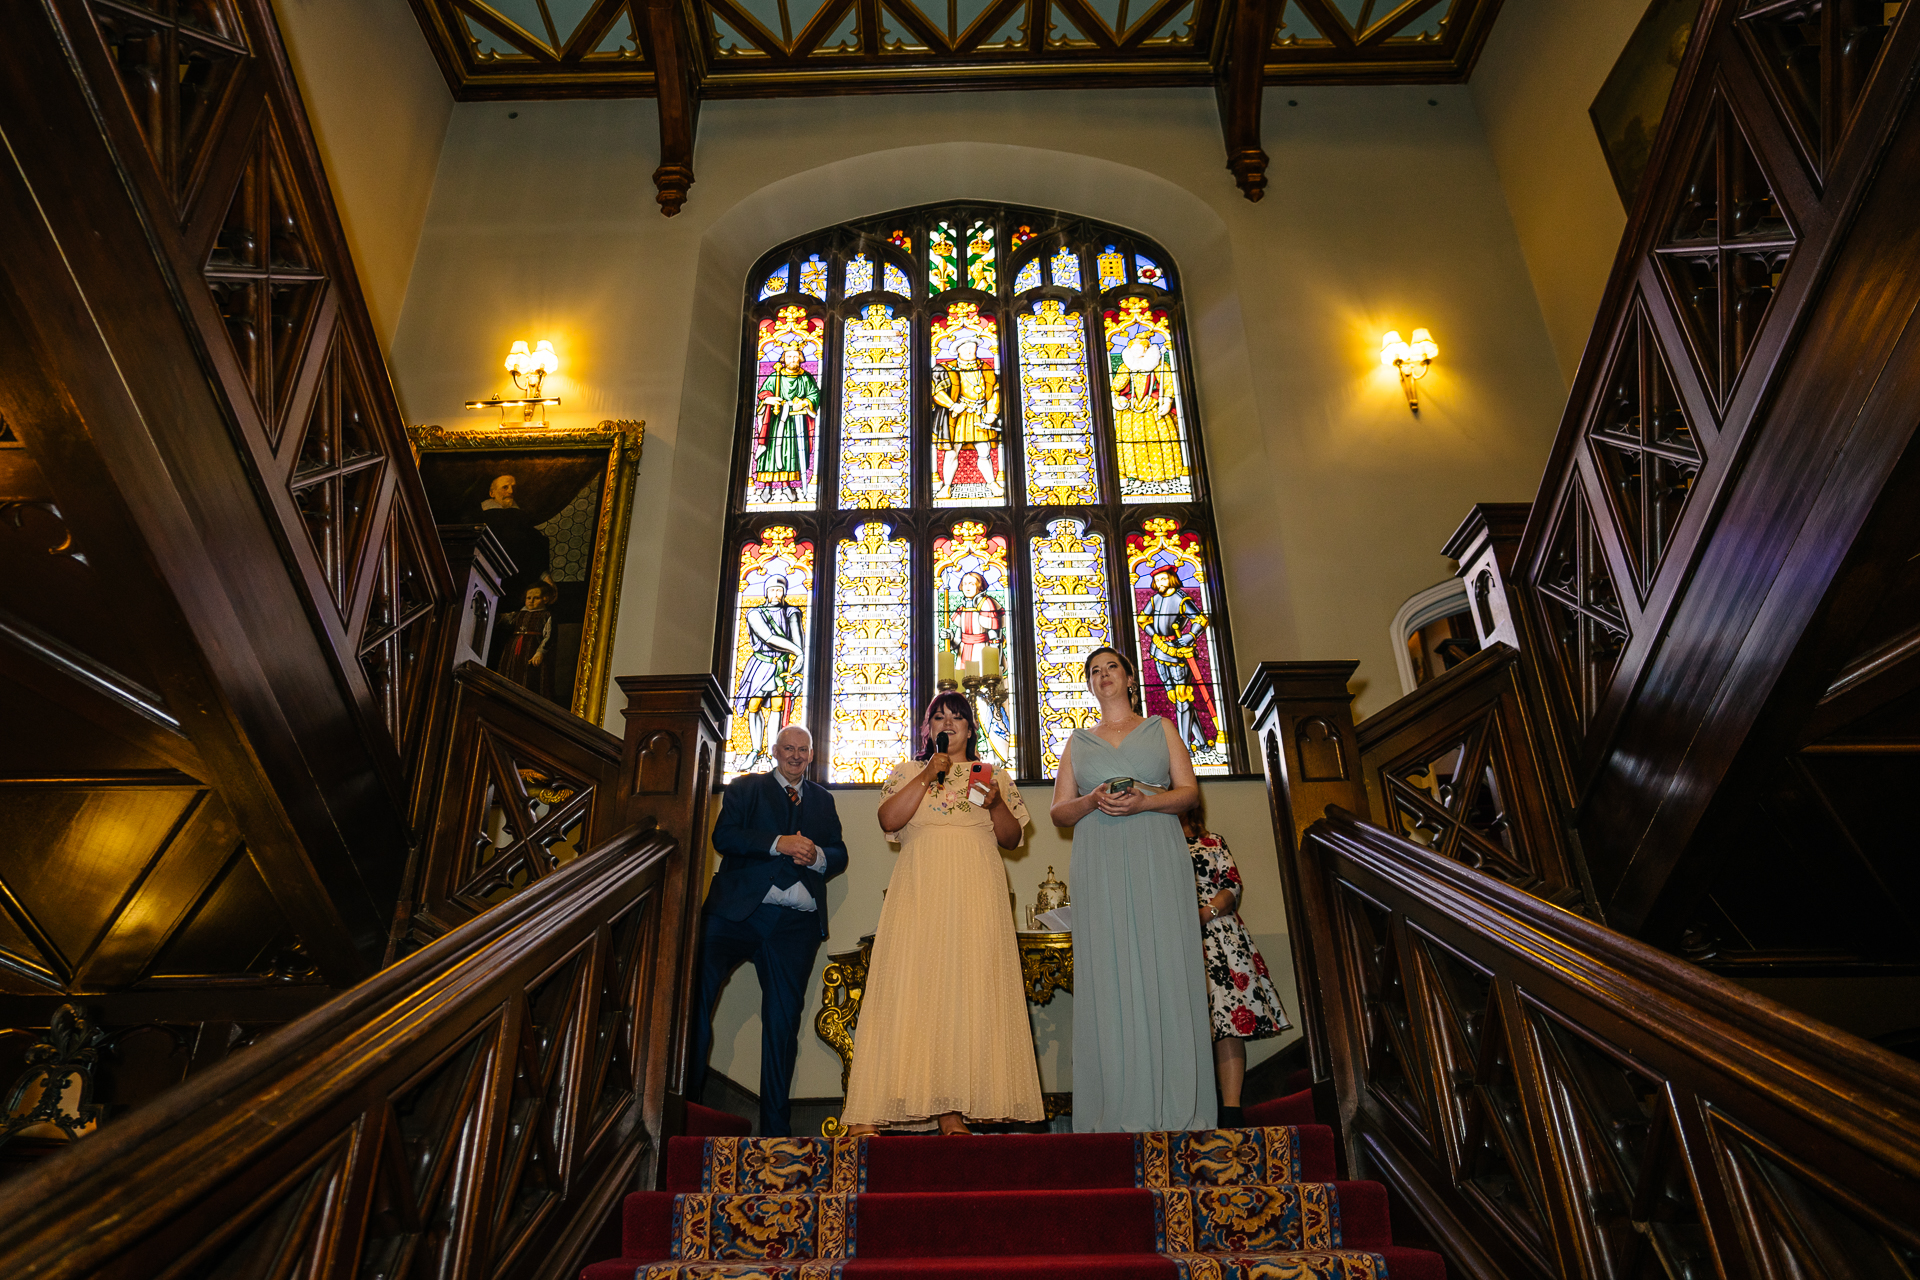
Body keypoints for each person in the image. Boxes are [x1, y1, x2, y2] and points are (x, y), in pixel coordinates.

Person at [841, 693, 1042, 1135]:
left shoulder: (993, 777)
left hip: (977, 890)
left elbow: (1011, 840)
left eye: (957, 717)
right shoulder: (908, 772)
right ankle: (868, 1112)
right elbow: (888, 821)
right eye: (938, 717)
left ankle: (952, 1113)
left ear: (970, 729)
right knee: (908, 985)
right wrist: (929, 775)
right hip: (920, 889)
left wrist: (993, 805)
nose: (947, 723)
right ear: (927, 729)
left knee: (964, 988)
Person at [1049, 646, 1215, 1133]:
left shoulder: (1160, 727)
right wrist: (1091, 800)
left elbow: (1189, 793)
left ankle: (1177, 1103)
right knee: (1110, 968)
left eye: (1111, 668)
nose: (1103, 676)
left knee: (1164, 961)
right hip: (1099, 856)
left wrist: (1145, 801)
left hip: (1154, 848)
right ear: (1090, 685)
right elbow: (1059, 812)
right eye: (1094, 672)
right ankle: (1115, 1106)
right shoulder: (1078, 742)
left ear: (1128, 678)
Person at [688, 725, 848, 1137]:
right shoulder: (745, 788)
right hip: (734, 914)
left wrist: (816, 856)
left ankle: (775, 1133)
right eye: (788, 748)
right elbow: (724, 837)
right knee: (695, 1003)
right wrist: (779, 843)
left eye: (803, 750)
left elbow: (840, 853)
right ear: (775, 750)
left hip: (795, 926)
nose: (796, 756)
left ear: (811, 756)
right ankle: (685, 1109)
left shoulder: (823, 801)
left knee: (782, 1024)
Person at [1185, 797, 1290, 1129]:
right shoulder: (1153, 843)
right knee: (1186, 1026)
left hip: (1218, 936)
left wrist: (1207, 912)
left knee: (1228, 1023)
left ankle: (1231, 1111)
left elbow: (1232, 884)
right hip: (1175, 938)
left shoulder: (1212, 841)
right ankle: (1194, 1107)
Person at [1142, 566, 1217, 754]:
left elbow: (1200, 619)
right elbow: (1143, 619)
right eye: (1157, 581)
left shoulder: (1181, 599)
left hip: (1177, 653)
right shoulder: (1155, 599)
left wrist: (1190, 637)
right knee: (1176, 698)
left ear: (1171, 579)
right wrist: (1155, 636)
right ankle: (1200, 740)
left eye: (1163, 580)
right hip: (1158, 651)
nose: (1159, 584)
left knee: (1183, 699)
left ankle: (1184, 747)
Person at [738, 575, 805, 769]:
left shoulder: (792, 612)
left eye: (780, 590)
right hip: (760, 664)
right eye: (772, 590)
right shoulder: (754, 613)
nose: (776, 593)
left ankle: (772, 751)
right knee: (754, 704)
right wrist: (797, 651)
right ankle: (754, 750)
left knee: (777, 706)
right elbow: (768, 637)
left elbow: (797, 639)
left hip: (781, 666)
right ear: (766, 592)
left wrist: (798, 660)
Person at [932, 340, 1001, 499]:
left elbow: (995, 391)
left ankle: (992, 483)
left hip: (979, 414)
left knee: (984, 451)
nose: (971, 351)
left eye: (973, 347)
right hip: (957, 417)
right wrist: (952, 405)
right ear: (957, 351)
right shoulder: (945, 369)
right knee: (952, 452)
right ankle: (946, 487)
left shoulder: (985, 368)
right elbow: (937, 392)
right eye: (966, 348)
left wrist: (992, 412)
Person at [753, 346, 819, 503]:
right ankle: (766, 486)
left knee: (790, 454)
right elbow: (763, 393)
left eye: (796, 357)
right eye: (789, 357)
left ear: (801, 359)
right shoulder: (775, 376)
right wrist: (768, 400)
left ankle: (786, 486)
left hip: (795, 424)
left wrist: (804, 402)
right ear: (783, 359)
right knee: (769, 454)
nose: (793, 360)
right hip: (774, 422)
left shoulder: (806, 378)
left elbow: (814, 395)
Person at [478, 473, 551, 607]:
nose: (511, 492)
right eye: (505, 487)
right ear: (492, 493)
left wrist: (545, 576)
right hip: (488, 578)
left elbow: (536, 544)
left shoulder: (520, 517)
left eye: (513, 487)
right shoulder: (481, 517)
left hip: (519, 581)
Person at [498, 582, 554, 699]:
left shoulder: (546, 615)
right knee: (510, 670)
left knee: (528, 676)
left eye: (536, 598)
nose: (531, 601)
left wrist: (540, 652)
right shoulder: (519, 614)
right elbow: (502, 619)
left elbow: (549, 636)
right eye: (529, 598)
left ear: (545, 599)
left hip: (532, 650)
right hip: (513, 648)